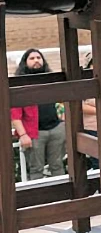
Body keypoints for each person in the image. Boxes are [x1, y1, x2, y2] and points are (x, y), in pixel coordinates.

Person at [15, 49, 65, 179]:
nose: (36, 60)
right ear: (25, 63)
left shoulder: (51, 80)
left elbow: (63, 100)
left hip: (56, 129)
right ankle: (38, 199)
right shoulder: (19, 85)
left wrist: (64, 122)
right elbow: (15, 114)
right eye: (32, 58)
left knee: (58, 165)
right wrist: (23, 135)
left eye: (38, 57)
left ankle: (62, 197)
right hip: (34, 134)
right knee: (36, 169)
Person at [10, 103, 38, 182]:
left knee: (57, 167)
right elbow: (15, 116)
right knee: (35, 169)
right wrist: (23, 135)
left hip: (53, 128)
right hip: (31, 135)